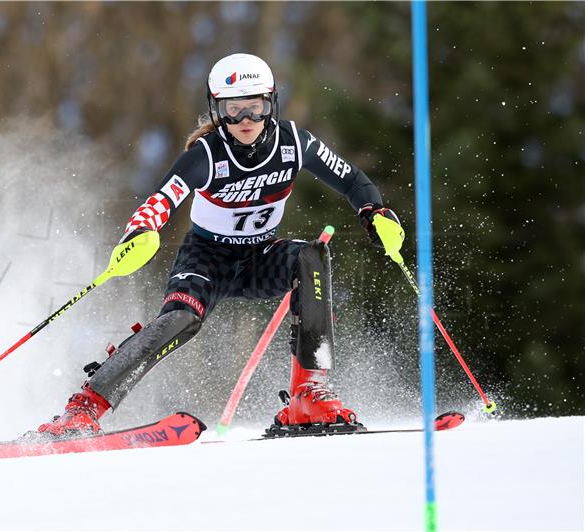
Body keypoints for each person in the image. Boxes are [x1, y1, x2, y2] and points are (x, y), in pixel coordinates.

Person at [37, 53, 403, 437]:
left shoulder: (295, 143)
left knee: (311, 257)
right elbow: (160, 201)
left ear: (270, 103)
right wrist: (140, 232)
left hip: (260, 256)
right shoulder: (207, 155)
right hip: (206, 258)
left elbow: (352, 179)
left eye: (255, 108)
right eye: (233, 110)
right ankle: (83, 409)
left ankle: (308, 396)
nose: (245, 120)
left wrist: (374, 212)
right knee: (181, 319)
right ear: (218, 109)